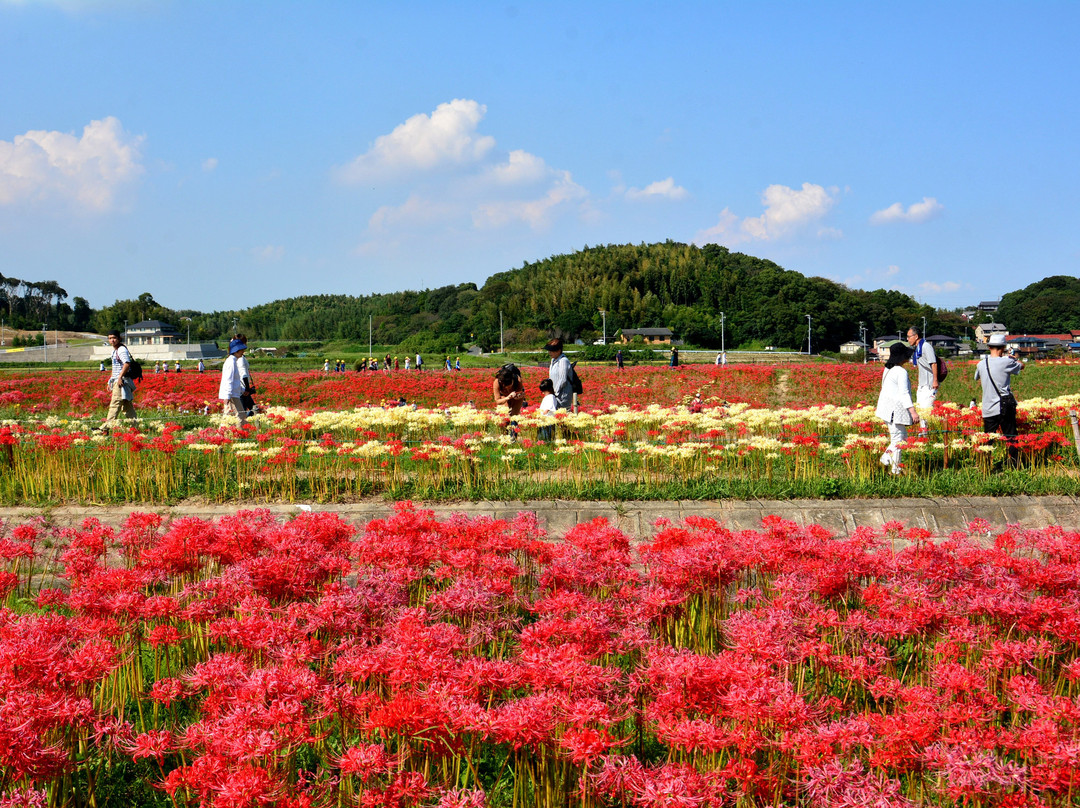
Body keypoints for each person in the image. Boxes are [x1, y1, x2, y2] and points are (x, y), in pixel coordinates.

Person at [976, 332, 1023, 462]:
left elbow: (977, 376)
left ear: (989, 347)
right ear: (1002, 348)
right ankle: (1015, 464)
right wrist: (1013, 358)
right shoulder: (1007, 362)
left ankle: (985, 465)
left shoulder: (981, 364)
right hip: (1004, 406)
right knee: (1011, 436)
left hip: (988, 407)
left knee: (988, 439)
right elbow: (1021, 366)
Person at [874, 342, 917, 474]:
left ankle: (888, 464)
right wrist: (913, 412)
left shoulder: (888, 369)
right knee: (899, 441)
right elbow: (904, 393)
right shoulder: (901, 371)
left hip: (886, 410)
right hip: (895, 411)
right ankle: (892, 467)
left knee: (901, 439)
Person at [906, 326, 938, 431]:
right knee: (920, 408)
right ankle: (923, 431)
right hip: (922, 384)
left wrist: (935, 380)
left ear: (916, 336)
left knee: (925, 409)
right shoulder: (918, 348)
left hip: (929, 384)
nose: (907, 339)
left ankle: (926, 432)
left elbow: (933, 363)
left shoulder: (925, 346)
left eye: (909, 336)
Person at [104, 329, 137, 424]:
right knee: (127, 406)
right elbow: (115, 368)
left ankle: (106, 428)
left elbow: (127, 363)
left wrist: (119, 378)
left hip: (122, 381)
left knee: (115, 404)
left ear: (119, 338)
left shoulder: (121, 350)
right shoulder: (114, 351)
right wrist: (110, 381)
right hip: (118, 380)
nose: (112, 340)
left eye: (114, 338)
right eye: (110, 338)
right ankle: (134, 426)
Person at [219, 338, 248, 424]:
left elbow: (235, 381)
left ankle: (222, 436)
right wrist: (227, 396)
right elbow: (228, 380)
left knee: (236, 419)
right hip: (232, 396)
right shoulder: (231, 362)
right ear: (237, 350)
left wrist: (242, 390)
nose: (243, 352)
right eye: (241, 350)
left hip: (233, 394)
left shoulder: (233, 361)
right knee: (239, 419)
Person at [545, 338, 573, 411]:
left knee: (562, 415)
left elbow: (562, 379)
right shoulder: (553, 360)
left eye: (552, 351)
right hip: (554, 394)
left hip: (562, 395)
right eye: (549, 350)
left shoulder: (563, 361)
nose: (549, 352)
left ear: (559, 351)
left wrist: (554, 393)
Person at [234, 333, 255, 417]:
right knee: (244, 413)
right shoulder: (240, 359)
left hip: (241, 389)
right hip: (243, 390)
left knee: (253, 409)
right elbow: (244, 374)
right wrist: (247, 388)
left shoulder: (235, 357)